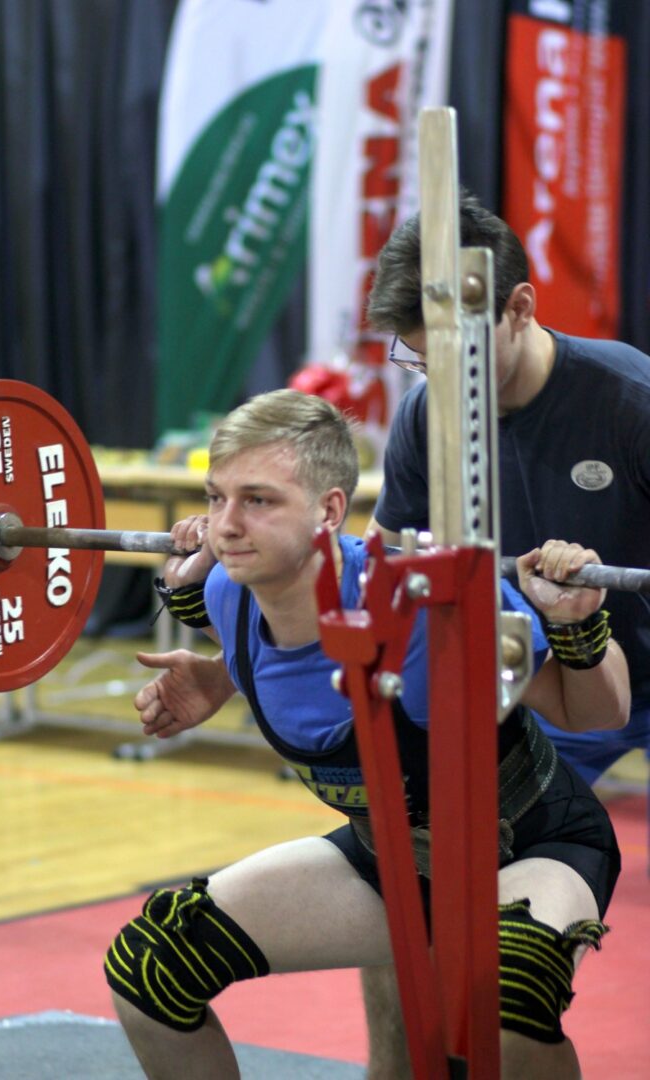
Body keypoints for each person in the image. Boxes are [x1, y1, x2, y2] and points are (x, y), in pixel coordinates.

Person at [104, 388, 629, 1080]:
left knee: (509, 995)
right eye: (215, 497)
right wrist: (221, 678)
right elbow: (290, 662)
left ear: (328, 512)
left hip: (529, 847)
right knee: (151, 967)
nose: (224, 526)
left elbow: (597, 713)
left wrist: (576, 628)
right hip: (392, 859)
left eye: (257, 500)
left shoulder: (430, 606)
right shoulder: (226, 595)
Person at [359, 189, 650, 1078]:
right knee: (402, 895)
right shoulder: (425, 419)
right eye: (421, 357)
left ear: (519, 307)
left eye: (455, 353)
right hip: (554, 684)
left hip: (633, 659)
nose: (439, 379)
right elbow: (387, 569)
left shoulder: (629, 401)